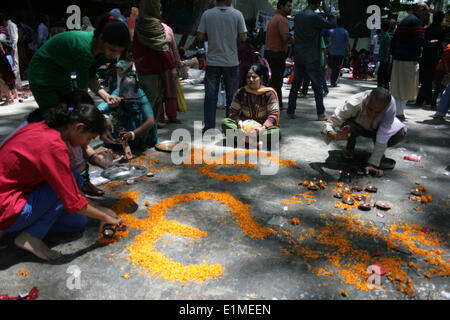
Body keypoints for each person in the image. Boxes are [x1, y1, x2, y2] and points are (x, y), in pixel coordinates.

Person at [0, 102, 124, 261]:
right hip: (7, 206)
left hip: (15, 196)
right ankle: (30, 236)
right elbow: (72, 200)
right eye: (89, 138)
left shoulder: (43, 127)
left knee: (77, 222)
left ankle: (11, 229)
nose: (86, 144)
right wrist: (104, 217)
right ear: (78, 127)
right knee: (71, 181)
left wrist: (100, 211)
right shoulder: (53, 145)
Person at [27, 13, 129, 146]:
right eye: (112, 50)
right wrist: (100, 122)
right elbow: (83, 98)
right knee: (56, 119)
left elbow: (91, 78)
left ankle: (77, 153)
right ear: (101, 38)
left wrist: (107, 97)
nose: (113, 55)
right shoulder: (84, 50)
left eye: (118, 52)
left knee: (69, 114)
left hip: (62, 74)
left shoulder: (103, 52)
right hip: (42, 74)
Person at [321, 88, 407, 177]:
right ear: (367, 99)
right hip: (359, 127)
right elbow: (330, 122)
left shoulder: (390, 106)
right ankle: (349, 148)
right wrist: (332, 134)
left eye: (378, 112)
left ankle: (377, 154)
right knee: (347, 124)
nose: (373, 114)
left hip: (377, 129)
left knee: (400, 133)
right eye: (370, 109)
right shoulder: (355, 102)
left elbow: (384, 133)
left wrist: (373, 164)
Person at [197, 0, 247, 132]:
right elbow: (243, 37)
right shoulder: (237, 14)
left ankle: (209, 127)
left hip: (213, 61)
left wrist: (213, 35)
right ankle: (229, 127)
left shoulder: (207, 14)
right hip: (231, 62)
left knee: (210, 96)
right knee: (232, 96)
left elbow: (200, 36)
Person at [287, 0, 336, 121]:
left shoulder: (298, 16)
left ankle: (290, 111)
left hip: (299, 55)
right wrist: (326, 9)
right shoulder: (315, 17)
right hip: (312, 56)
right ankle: (321, 114)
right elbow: (332, 23)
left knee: (296, 85)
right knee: (317, 86)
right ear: (318, 3)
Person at [390, 3, 438, 121]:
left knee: (398, 86)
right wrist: (429, 44)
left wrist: (393, 54)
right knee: (407, 86)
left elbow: (394, 40)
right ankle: (400, 112)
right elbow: (418, 40)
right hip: (409, 58)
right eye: (426, 13)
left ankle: (398, 111)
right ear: (421, 10)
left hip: (398, 57)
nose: (426, 16)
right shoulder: (416, 23)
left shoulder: (404, 21)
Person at [133, 0, 176, 129]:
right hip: (153, 70)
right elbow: (163, 49)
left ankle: (145, 132)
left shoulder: (139, 23)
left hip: (141, 68)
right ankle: (145, 134)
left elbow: (135, 46)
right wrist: (172, 67)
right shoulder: (154, 24)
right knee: (153, 104)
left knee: (144, 102)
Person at [222, 64, 281, 149]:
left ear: (261, 78)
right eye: (248, 77)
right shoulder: (241, 92)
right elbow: (232, 112)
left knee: (276, 132)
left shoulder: (269, 93)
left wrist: (262, 129)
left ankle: (244, 140)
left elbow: (273, 114)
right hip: (244, 128)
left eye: (254, 77)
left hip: (261, 129)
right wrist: (240, 124)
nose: (251, 79)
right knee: (225, 123)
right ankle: (254, 143)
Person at [97, 74, 158, 152]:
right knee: (106, 118)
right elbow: (98, 111)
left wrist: (133, 134)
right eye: (126, 97)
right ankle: (115, 143)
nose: (128, 101)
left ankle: (142, 142)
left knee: (149, 120)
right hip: (120, 125)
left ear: (136, 91)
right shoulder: (116, 93)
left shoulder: (141, 95)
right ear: (121, 91)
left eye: (131, 98)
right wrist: (105, 117)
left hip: (136, 126)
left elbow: (150, 121)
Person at [264, 0, 293, 110]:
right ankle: (274, 105)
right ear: (281, 6)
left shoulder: (274, 18)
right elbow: (285, 37)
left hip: (271, 53)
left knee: (275, 80)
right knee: (276, 81)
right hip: (277, 54)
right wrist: (294, 39)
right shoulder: (282, 20)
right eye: (288, 6)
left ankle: (278, 103)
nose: (290, 8)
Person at [416, 11, 445, 106]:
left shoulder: (427, 29)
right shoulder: (441, 31)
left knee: (425, 79)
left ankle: (423, 99)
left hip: (425, 55)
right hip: (436, 57)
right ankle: (428, 100)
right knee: (435, 80)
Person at [159, 21, 182, 125]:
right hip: (166, 65)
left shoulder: (148, 28)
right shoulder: (168, 29)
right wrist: (177, 63)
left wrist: (177, 63)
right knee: (170, 91)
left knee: (159, 92)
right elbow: (174, 48)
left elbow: (174, 48)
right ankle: (171, 116)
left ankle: (161, 117)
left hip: (162, 65)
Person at [328, 17, 350, 87]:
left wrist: (328, 50)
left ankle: (332, 80)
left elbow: (330, 42)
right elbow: (347, 43)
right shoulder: (345, 32)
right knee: (337, 68)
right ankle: (334, 82)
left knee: (333, 67)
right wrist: (349, 51)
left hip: (332, 52)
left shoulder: (332, 31)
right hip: (340, 52)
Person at [377, 20, 392, 90]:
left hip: (384, 58)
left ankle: (382, 87)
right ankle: (382, 87)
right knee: (382, 73)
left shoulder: (386, 36)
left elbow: (388, 48)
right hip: (382, 57)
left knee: (383, 74)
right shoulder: (383, 35)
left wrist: (386, 57)